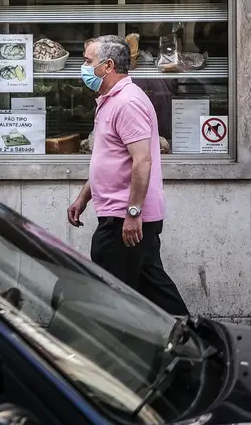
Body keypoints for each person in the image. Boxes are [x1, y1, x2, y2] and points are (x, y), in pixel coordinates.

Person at [68, 35, 189, 316]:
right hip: (119, 214)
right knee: (154, 289)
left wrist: (133, 214)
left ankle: (117, 351)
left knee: (111, 299)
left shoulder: (128, 103)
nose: (83, 67)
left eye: (88, 61)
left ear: (107, 65)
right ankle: (195, 342)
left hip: (125, 218)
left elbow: (142, 161)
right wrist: (83, 198)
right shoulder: (109, 101)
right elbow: (108, 159)